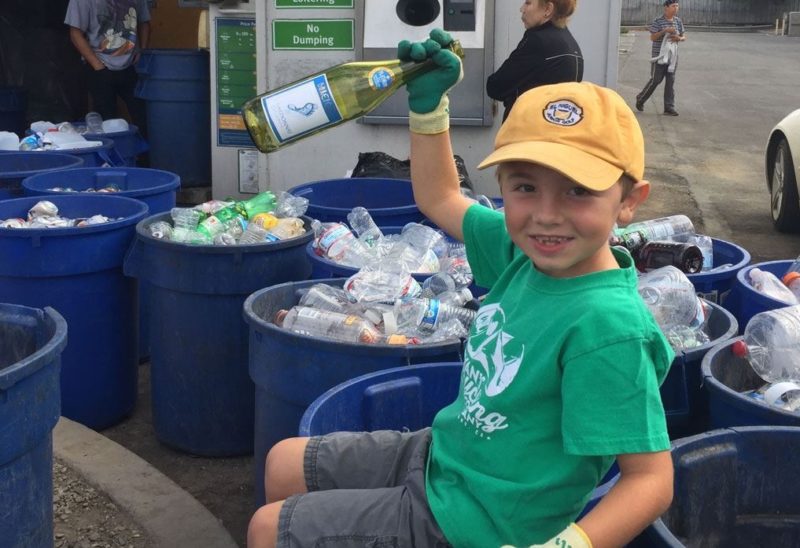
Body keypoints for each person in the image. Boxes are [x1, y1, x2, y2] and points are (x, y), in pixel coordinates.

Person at [247, 30, 674, 548]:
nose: (545, 214)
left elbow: (650, 480)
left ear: (630, 201)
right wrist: (428, 110)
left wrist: (569, 544)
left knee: (268, 530)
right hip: (446, 455)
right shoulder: (528, 254)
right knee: (282, 461)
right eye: (524, 186)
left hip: (475, 524)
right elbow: (440, 196)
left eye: (578, 191)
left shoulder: (608, 327)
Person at [486, 0, 583, 121]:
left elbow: (496, 86)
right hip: (559, 131)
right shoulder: (571, 43)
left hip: (530, 132)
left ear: (548, 9)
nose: (522, 9)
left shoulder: (538, 41)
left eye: (528, 3)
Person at [64, 0, 150, 136]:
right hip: (100, 66)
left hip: (131, 66)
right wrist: (98, 66)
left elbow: (144, 22)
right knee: (106, 122)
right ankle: (114, 157)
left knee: (144, 118)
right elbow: (75, 33)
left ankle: (144, 156)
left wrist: (142, 51)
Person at [635, 1, 686, 116]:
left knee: (670, 82)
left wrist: (679, 38)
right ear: (666, 8)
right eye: (673, 6)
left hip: (672, 58)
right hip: (659, 57)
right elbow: (652, 37)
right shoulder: (658, 21)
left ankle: (669, 108)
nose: (676, 8)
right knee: (655, 80)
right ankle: (641, 98)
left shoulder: (678, 21)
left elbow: (684, 36)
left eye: (677, 6)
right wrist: (665, 31)